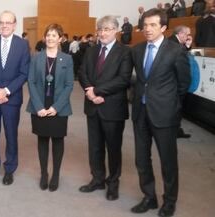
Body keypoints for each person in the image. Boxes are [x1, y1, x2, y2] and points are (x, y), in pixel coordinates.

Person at [130, 9, 190, 217]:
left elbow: (184, 83)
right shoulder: (137, 50)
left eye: (153, 25)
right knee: (141, 159)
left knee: (168, 161)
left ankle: (169, 201)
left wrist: (171, 106)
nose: (147, 29)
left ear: (163, 27)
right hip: (140, 113)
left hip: (164, 115)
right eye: (145, 25)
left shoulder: (175, 50)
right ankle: (149, 197)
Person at [77, 15, 132, 201]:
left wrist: (98, 91)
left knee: (114, 148)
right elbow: (82, 72)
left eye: (107, 29)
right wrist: (90, 92)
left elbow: (123, 79)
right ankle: (97, 179)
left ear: (115, 30)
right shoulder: (92, 50)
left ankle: (113, 183)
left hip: (113, 108)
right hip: (92, 107)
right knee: (95, 147)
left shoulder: (124, 51)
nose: (102, 32)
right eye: (100, 29)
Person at [0, 10, 30, 185]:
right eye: (1, 22)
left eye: (8, 22)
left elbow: (24, 73)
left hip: (11, 99)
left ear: (15, 25)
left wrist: (6, 91)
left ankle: (9, 169)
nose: (4, 25)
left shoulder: (23, 45)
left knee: (11, 135)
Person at [26, 23, 74, 192]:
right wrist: (38, 106)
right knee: (42, 139)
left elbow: (69, 85)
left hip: (58, 107)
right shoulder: (36, 57)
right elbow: (30, 82)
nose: (50, 38)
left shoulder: (67, 59)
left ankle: (56, 174)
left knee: (58, 140)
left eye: (54, 35)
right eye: (48, 35)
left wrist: (56, 107)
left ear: (60, 38)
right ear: (44, 37)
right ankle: (44, 173)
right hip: (40, 104)